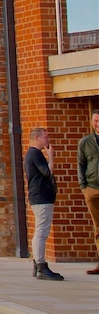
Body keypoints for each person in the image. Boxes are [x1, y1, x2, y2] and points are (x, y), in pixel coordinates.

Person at [25, 127, 63, 280]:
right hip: (41, 196)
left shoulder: (31, 154)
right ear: (36, 138)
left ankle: (38, 264)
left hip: (39, 196)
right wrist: (51, 156)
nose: (48, 140)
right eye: (45, 137)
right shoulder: (35, 154)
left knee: (41, 230)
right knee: (41, 231)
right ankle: (41, 265)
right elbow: (48, 172)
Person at [77, 109, 99, 275]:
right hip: (92, 188)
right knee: (98, 227)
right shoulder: (85, 142)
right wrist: (83, 187)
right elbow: (81, 164)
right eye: (95, 121)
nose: (97, 124)